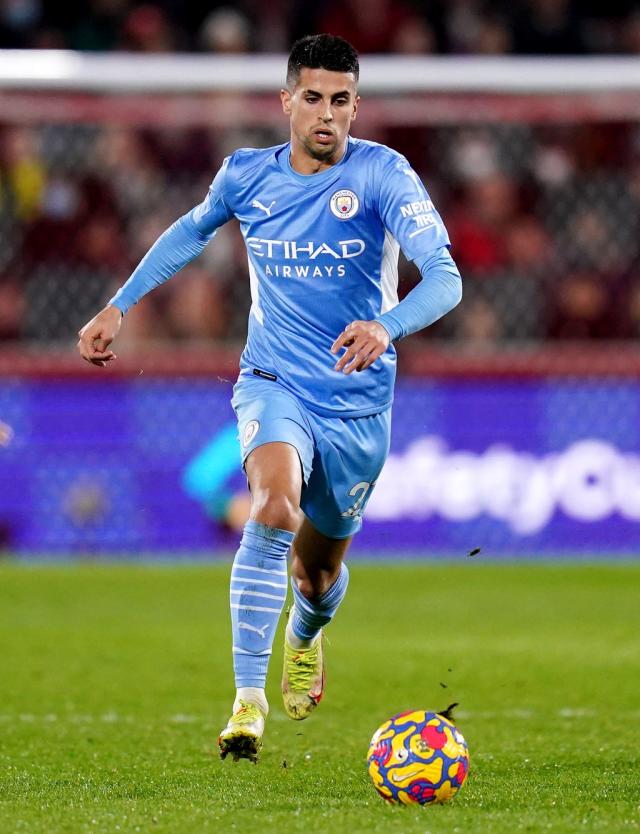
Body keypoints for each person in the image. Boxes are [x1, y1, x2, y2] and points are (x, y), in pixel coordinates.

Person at [77, 34, 462, 763]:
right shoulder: (247, 176)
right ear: (286, 101)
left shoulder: (385, 176)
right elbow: (189, 233)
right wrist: (118, 305)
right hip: (273, 381)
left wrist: (388, 325)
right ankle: (246, 703)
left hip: (356, 402)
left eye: (341, 101)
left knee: (316, 574)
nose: (326, 115)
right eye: (312, 98)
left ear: (357, 105)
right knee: (274, 505)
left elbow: (446, 278)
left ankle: (306, 634)